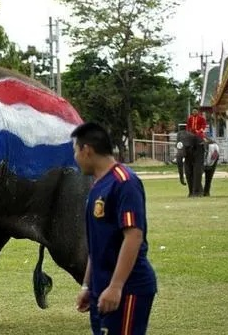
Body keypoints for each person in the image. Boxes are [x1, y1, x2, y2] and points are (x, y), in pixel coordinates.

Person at [71, 122, 157, 335]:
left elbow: (134, 236)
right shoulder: (98, 185)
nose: (74, 157)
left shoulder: (124, 182)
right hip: (101, 288)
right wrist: (87, 286)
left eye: (75, 151)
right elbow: (97, 244)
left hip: (128, 289)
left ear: (86, 150)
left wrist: (116, 287)